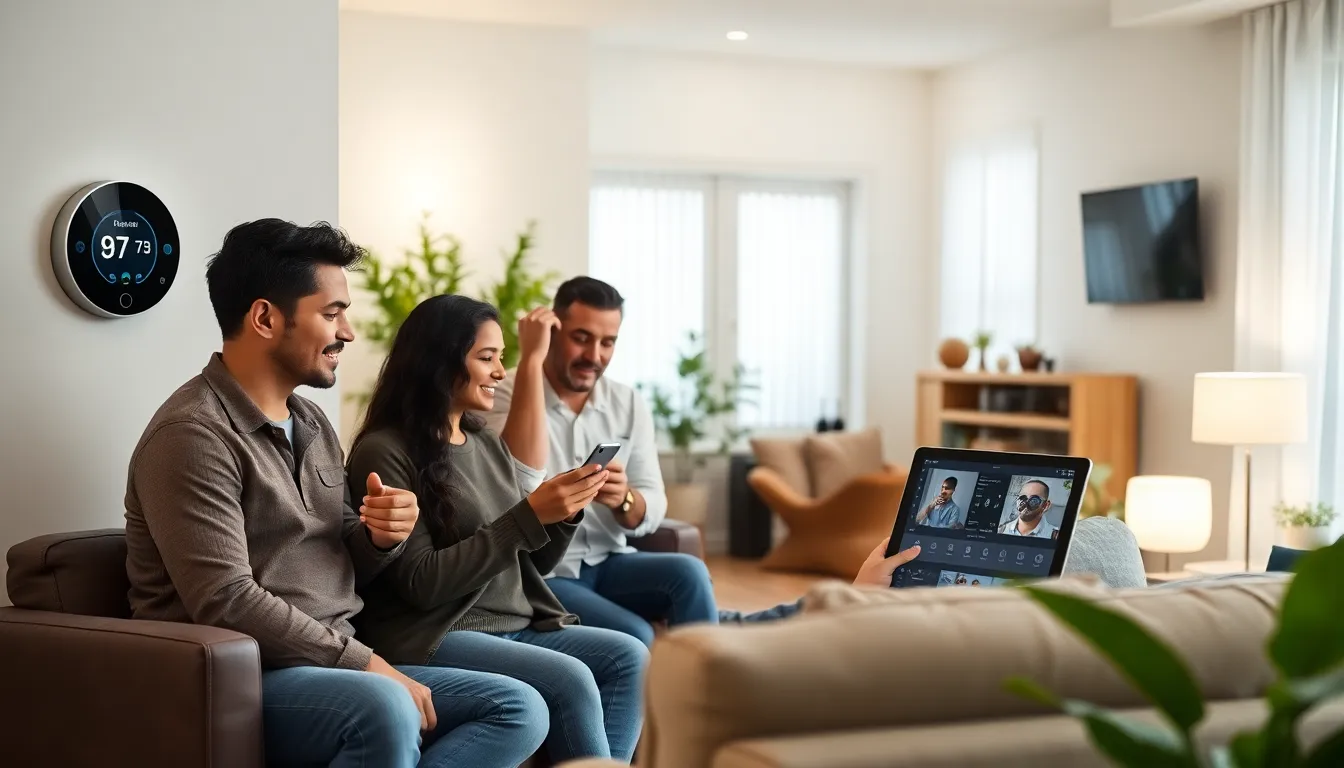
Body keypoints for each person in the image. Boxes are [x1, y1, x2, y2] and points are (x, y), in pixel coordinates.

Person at [123, 219, 546, 768]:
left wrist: (377, 535)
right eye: (332, 313)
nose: (347, 332)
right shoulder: (193, 436)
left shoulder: (312, 422)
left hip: (332, 657)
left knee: (520, 709)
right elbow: (226, 600)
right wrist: (365, 664)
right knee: (388, 708)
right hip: (244, 673)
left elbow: (341, 550)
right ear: (265, 318)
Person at [347, 294, 648, 763]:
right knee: (570, 680)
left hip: (516, 622)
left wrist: (563, 513)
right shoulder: (386, 452)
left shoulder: (484, 439)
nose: (500, 373)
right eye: (487, 358)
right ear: (440, 362)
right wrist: (527, 516)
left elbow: (533, 564)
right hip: (441, 630)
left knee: (629, 657)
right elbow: (422, 583)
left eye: (501, 358)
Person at [485, 276, 718, 647]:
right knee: (636, 634)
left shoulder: (628, 403)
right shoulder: (503, 392)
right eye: (582, 338)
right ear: (554, 331)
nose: (595, 356)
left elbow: (654, 502)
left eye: (608, 342)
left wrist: (624, 500)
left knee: (689, 572)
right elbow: (514, 480)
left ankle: (710, 698)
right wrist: (531, 357)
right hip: (545, 573)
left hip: (610, 561)